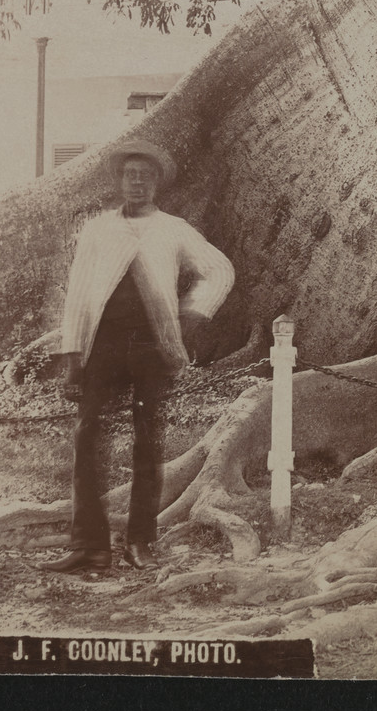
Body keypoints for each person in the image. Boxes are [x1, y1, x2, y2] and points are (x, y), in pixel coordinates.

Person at [40, 139, 234, 576]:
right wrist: (72, 353)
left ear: (156, 184)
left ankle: (141, 544)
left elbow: (219, 270)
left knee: (147, 445)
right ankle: (88, 546)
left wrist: (190, 316)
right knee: (87, 440)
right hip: (102, 347)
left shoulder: (173, 228)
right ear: (120, 181)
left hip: (151, 348)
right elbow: (78, 293)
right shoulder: (98, 230)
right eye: (131, 175)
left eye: (146, 176)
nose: (138, 182)